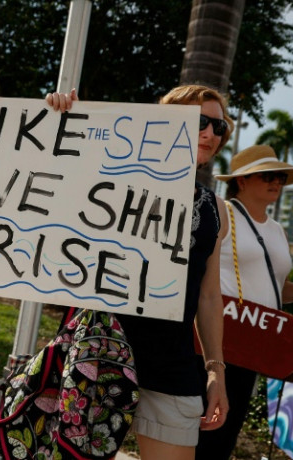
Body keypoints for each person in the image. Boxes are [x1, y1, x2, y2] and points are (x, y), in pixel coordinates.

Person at [46, 85, 231, 459]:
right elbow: (56, 170)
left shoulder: (217, 211)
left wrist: (216, 370)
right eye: (200, 121)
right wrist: (65, 117)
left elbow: (209, 296)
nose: (210, 133)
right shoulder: (110, 178)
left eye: (220, 126)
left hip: (172, 363)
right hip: (99, 352)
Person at [195, 145, 293, 459]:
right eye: (267, 175)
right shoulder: (221, 212)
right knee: (202, 433)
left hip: (254, 347)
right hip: (215, 341)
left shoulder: (277, 231)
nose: (277, 182)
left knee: (224, 437)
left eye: (280, 177)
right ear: (241, 180)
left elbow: (272, 287)